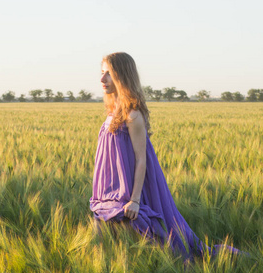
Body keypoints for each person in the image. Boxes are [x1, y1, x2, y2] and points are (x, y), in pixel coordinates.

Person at [89, 52, 242, 261]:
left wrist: (134, 200)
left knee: (156, 235)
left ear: (122, 75)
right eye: (101, 73)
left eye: (108, 73)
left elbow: (141, 159)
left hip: (132, 189)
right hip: (111, 189)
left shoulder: (133, 115)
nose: (102, 79)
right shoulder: (111, 113)